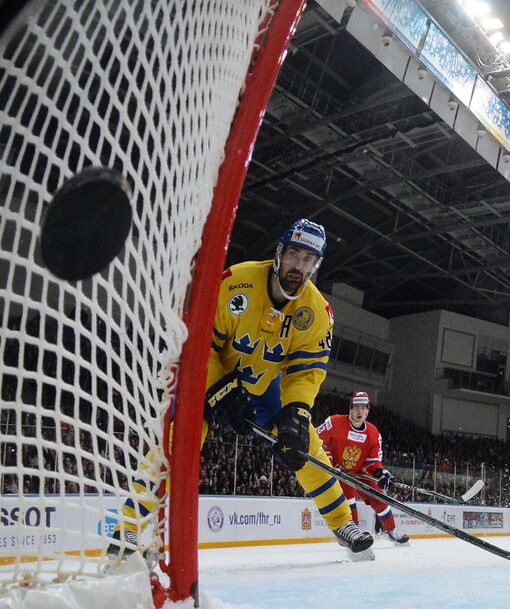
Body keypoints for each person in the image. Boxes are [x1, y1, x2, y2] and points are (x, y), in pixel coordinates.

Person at [111, 219, 374, 561]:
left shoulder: (316, 312)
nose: (299, 266)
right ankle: (127, 527)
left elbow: (306, 371)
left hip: (262, 386)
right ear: (279, 253)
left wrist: (296, 411)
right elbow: (200, 344)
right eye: (294, 254)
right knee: (178, 441)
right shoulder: (237, 283)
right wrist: (220, 388)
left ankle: (341, 522)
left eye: (309, 259)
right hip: (204, 377)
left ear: (316, 265)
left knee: (304, 442)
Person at [316, 391, 408, 546]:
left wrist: (380, 473)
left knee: (379, 498)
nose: (360, 412)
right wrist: (329, 464)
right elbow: (317, 441)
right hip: (338, 471)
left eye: (364, 408)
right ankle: (354, 537)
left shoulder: (373, 432)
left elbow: (372, 461)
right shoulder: (334, 423)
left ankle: (391, 531)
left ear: (368, 410)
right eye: (356, 407)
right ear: (350, 409)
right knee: (349, 501)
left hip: (358, 472)